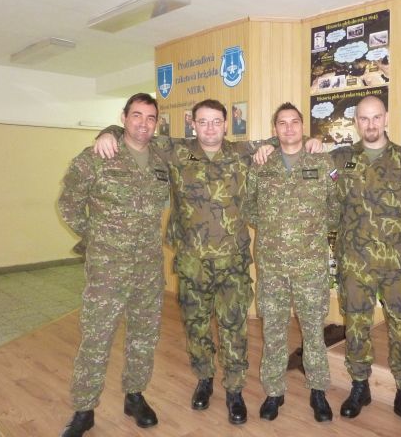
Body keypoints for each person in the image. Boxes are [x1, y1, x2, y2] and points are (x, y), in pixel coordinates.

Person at [93, 99, 322, 425]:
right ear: (193, 124)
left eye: (216, 121)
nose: (210, 128)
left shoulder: (242, 152)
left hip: (233, 264)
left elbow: (285, 136)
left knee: (234, 328)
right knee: (196, 327)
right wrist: (109, 132)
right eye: (203, 122)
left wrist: (313, 140)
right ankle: (204, 378)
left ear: (226, 124)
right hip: (192, 263)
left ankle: (234, 390)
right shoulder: (175, 151)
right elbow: (138, 133)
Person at [58, 93, 170, 437]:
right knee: (97, 337)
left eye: (150, 118)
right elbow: (68, 204)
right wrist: (98, 238)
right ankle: (84, 409)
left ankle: (135, 396)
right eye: (136, 115)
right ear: (123, 117)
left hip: (148, 267)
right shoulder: (97, 156)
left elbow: (208, 142)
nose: (143, 124)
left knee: (144, 336)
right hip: (108, 268)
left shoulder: (163, 157)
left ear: (157, 123)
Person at [332, 95, 401, 433]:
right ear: (355, 122)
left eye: (376, 117)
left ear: (386, 118)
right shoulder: (340, 159)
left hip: (399, 265)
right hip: (355, 263)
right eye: (364, 118)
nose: (370, 124)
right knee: (356, 326)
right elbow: (325, 204)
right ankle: (360, 387)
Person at [245, 103, 339, 423]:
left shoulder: (321, 161)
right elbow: (250, 206)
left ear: (302, 126)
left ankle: (318, 390)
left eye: (294, 122)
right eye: (282, 123)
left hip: (310, 266)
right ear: (275, 129)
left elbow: (335, 206)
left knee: (313, 331)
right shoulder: (262, 164)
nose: (288, 128)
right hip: (272, 265)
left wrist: (309, 232)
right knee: (273, 330)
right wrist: (276, 229)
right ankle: (274, 391)